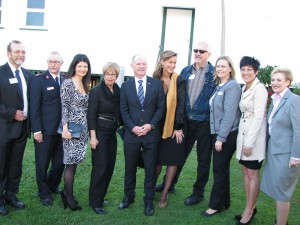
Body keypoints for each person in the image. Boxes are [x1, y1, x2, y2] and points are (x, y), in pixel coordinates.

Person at [157, 42, 216, 206]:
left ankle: (198, 193)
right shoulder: (185, 71)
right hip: (186, 121)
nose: (198, 53)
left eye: (201, 51)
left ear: (208, 54)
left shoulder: (213, 73)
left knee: (203, 160)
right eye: (195, 50)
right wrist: (178, 123)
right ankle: (169, 185)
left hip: (204, 122)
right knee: (178, 155)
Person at [118, 54, 165, 216]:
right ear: (132, 66)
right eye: (138, 64)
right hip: (132, 135)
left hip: (151, 134)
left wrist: (150, 125)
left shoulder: (157, 85)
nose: (141, 66)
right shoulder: (126, 86)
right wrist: (132, 127)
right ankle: (128, 197)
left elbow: (161, 108)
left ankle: (148, 201)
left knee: (150, 170)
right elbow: (123, 110)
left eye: (144, 64)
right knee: (130, 168)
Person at [202, 55, 241, 217]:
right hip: (218, 133)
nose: (219, 69)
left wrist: (220, 138)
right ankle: (225, 202)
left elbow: (229, 115)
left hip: (225, 135)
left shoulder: (232, 87)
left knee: (219, 170)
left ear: (230, 69)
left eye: (223, 66)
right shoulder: (221, 85)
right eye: (218, 66)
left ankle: (215, 205)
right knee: (222, 169)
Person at [260, 68, 300, 225]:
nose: (275, 83)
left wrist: (296, 156)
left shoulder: (294, 100)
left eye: (279, 80)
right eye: (273, 80)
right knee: (278, 190)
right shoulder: (275, 99)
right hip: (274, 152)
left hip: (287, 156)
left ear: (288, 82)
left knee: (283, 193)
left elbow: (298, 129)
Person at [0, 40, 33, 215]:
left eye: (23, 52)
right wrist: (12, 113)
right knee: (2, 165)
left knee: (15, 165)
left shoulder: (27, 75)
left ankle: (11, 195)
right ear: (9, 54)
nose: (21, 55)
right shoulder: (0, 72)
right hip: (4, 129)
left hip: (22, 129)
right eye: (17, 52)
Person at [30, 51, 66, 207]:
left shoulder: (66, 80)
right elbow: (34, 107)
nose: (53, 64)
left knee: (59, 163)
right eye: (50, 61)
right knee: (42, 163)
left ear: (61, 63)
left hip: (62, 131)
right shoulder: (38, 80)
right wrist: (36, 130)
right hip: (45, 131)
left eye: (56, 61)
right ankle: (43, 192)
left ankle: (52, 185)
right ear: (47, 62)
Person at [235, 56, 268, 225]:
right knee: (246, 173)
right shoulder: (245, 87)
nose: (245, 72)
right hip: (243, 135)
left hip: (253, 139)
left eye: (249, 69)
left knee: (253, 174)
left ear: (256, 72)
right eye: (243, 69)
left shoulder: (259, 88)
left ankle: (249, 211)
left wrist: (249, 142)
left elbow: (258, 117)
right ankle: (249, 207)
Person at [87, 62, 122, 215]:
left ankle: (100, 196)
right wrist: (93, 137)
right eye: (107, 74)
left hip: (112, 133)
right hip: (99, 133)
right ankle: (95, 202)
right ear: (103, 74)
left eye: (113, 74)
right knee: (100, 167)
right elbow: (91, 115)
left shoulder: (117, 90)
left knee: (109, 166)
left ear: (116, 76)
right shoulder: (96, 91)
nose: (110, 77)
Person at [153, 50, 186, 208]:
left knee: (172, 161)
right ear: (162, 62)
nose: (172, 65)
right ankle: (151, 188)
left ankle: (165, 193)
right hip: (157, 126)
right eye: (169, 62)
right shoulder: (154, 78)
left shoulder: (180, 79)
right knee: (158, 161)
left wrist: (178, 127)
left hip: (174, 126)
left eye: (174, 62)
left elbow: (181, 104)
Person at [60, 54, 91, 211]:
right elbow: (64, 106)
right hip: (71, 130)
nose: (83, 69)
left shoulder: (85, 83)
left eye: (85, 66)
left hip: (83, 130)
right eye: (80, 66)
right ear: (74, 66)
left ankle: (66, 192)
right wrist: (65, 128)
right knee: (71, 164)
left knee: (75, 162)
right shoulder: (67, 83)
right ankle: (69, 197)